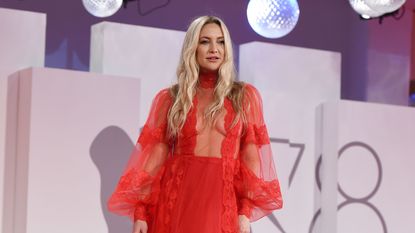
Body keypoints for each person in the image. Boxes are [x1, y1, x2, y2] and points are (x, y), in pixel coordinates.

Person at [108, 15, 283, 233]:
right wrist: (141, 212)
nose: (214, 49)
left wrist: (244, 211)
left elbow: (251, 155)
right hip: (177, 202)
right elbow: (155, 156)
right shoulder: (171, 98)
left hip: (221, 204)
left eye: (220, 42)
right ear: (193, 47)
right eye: (205, 41)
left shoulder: (243, 97)